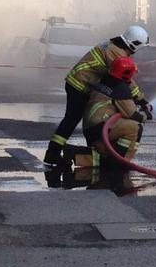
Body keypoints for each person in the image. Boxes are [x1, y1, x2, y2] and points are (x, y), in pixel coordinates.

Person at [44, 25, 150, 166]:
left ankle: (64, 153)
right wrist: (142, 100)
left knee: (74, 119)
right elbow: (126, 79)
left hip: (80, 82)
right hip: (80, 84)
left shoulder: (114, 45)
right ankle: (52, 154)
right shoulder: (117, 53)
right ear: (134, 43)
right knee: (71, 119)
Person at [82, 56, 148, 168]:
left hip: (93, 128)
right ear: (127, 73)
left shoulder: (106, 79)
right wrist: (146, 115)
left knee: (103, 157)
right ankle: (121, 162)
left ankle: (91, 156)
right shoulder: (120, 88)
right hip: (100, 128)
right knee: (135, 127)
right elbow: (133, 114)